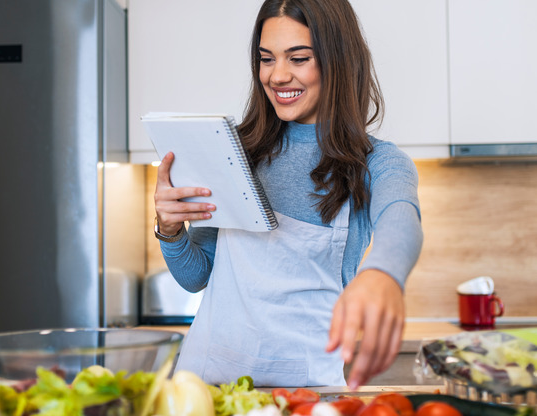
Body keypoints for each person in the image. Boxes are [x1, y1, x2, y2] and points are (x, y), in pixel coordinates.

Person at [152, 0, 422, 389]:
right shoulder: (235, 150)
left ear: (338, 61)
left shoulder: (376, 162)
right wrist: (170, 229)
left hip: (306, 396)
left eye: (298, 58)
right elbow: (197, 275)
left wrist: (382, 274)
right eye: (267, 59)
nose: (278, 76)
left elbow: (402, 219)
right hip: (206, 386)